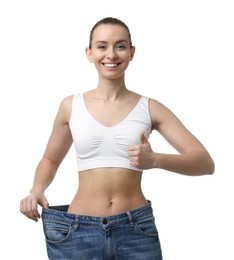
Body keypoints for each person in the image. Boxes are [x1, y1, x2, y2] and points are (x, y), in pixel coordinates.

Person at [20, 17, 215, 260]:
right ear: (89, 53)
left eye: (120, 46)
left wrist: (155, 160)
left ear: (132, 53)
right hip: (78, 231)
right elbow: (50, 159)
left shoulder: (150, 108)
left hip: (135, 230)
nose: (111, 54)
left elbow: (205, 163)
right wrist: (36, 189)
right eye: (102, 46)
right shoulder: (71, 106)